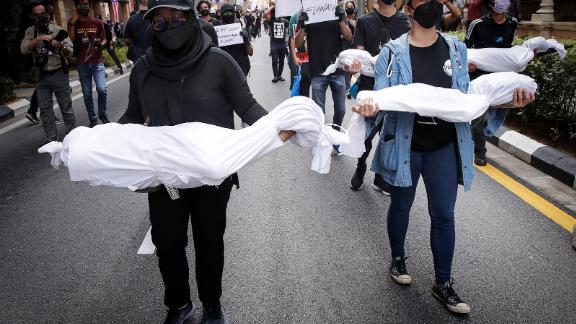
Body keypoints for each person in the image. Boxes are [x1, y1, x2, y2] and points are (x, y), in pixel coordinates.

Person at [352, 0, 533, 314]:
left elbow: (469, 101)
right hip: (406, 144)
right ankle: (397, 260)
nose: (432, 5)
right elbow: (381, 98)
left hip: (445, 144)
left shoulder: (457, 50)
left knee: (445, 215)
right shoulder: (391, 54)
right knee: (401, 205)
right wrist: (370, 106)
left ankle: (443, 283)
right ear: (409, 7)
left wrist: (508, 104)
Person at [118, 1, 294, 323]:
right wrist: (101, 144)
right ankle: (179, 305)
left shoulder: (219, 62)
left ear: (191, 19)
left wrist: (279, 127)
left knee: (209, 241)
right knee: (167, 242)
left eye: (176, 18)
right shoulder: (144, 69)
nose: (168, 27)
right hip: (166, 180)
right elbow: (131, 118)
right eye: (159, 22)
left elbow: (249, 108)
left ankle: (212, 304)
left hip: (213, 176)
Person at [347, 0, 411, 193]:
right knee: (367, 135)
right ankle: (361, 165)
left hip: (396, 89)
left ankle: (381, 175)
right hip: (370, 88)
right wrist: (354, 64)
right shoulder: (365, 21)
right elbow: (358, 54)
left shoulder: (407, 22)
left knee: (390, 134)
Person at [465, 0, 517, 166]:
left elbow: (510, 47)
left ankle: (479, 130)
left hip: (501, 78)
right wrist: (469, 63)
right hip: (480, 79)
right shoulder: (478, 24)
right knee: (478, 118)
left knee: (496, 114)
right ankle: (480, 152)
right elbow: (465, 49)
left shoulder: (513, 23)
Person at [295, 6, 352, 151]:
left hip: (337, 70)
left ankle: (334, 135)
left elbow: (349, 36)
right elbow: (298, 44)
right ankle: (321, 141)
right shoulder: (308, 12)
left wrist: (340, 20)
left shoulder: (336, 10)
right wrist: (302, 26)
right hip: (317, 71)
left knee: (340, 109)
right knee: (319, 113)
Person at [20, 2, 75, 143]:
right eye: (36, 15)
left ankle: (73, 138)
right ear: (32, 17)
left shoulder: (57, 30)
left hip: (58, 73)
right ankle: (51, 140)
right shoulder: (30, 32)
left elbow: (70, 52)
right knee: (45, 110)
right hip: (41, 76)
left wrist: (60, 45)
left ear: (47, 14)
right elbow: (24, 49)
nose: (40, 17)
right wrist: (38, 39)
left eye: (42, 14)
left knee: (66, 107)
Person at [68, 0, 108, 128]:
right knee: (87, 93)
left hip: (97, 61)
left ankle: (102, 113)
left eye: (86, 3)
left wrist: (99, 46)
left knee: (102, 89)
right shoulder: (73, 23)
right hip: (82, 63)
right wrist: (72, 23)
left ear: (89, 5)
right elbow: (71, 41)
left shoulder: (97, 22)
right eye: (81, 4)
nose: (84, 6)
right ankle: (93, 118)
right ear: (77, 6)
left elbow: (105, 39)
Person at [219, 4, 252, 76]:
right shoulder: (218, 32)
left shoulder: (241, 31)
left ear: (234, 15)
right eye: (226, 13)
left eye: (231, 13)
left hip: (241, 69)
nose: (229, 15)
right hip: (225, 71)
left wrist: (246, 41)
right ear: (221, 16)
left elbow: (250, 53)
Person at [288, 10, 311, 97]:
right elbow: (292, 38)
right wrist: (294, 57)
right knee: (297, 82)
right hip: (298, 54)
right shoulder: (295, 17)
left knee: (306, 81)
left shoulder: (315, 14)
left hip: (310, 56)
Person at [268, 7, 289, 83]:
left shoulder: (285, 21)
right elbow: (266, 13)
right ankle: (275, 76)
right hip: (274, 44)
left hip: (282, 44)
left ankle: (279, 75)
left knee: (282, 61)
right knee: (274, 61)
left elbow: (290, 28)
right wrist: (274, 6)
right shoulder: (271, 21)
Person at [343, 1, 357, 94]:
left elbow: (360, 32)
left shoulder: (357, 20)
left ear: (354, 8)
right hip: (344, 46)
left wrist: (353, 24)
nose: (349, 8)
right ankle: (347, 87)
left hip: (354, 47)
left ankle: (348, 86)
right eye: (347, 7)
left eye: (351, 6)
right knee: (346, 66)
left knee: (352, 68)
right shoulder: (342, 20)